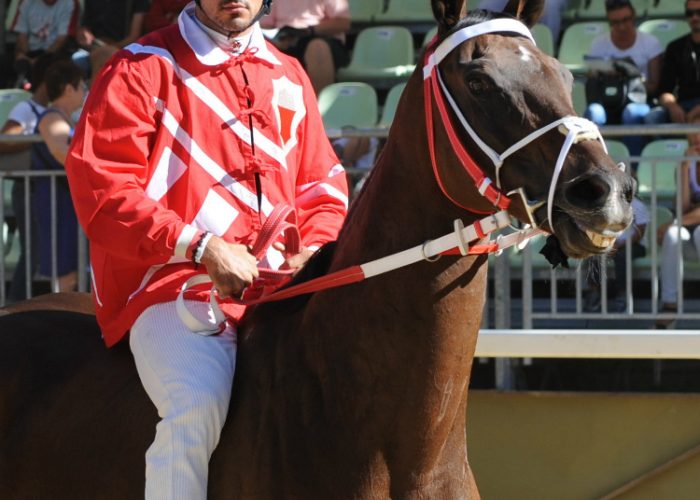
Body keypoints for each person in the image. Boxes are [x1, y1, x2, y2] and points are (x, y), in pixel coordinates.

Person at [64, 0, 349, 498]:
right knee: (196, 403)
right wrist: (202, 248)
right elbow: (103, 188)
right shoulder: (138, 67)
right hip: (172, 288)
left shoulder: (288, 72)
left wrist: (319, 245)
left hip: (281, 290)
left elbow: (322, 184)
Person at [0, 52, 61, 301]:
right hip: (30, 190)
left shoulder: (55, 111)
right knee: (33, 252)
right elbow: (5, 140)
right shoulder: (26, 108)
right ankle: (15, 307)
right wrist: (39, 143)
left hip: (46, 189)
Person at [32, 59, 85, 292]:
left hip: (68, 200)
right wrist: (96, 172)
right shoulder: (51, 118)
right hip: (57, 200)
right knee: (65, 272)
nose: (85, 92)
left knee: (74, 268)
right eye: (82, 86)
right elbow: (60, 151)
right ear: (68, 88)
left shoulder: (66, 118)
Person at [583, 0, 662, 157]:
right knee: (593, 112)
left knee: (632, 112)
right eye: (615, 22)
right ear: (609, 22)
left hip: (638, 101)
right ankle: (597, 163)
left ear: (634, 17)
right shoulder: (598, 44)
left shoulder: (650, 43)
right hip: (606, 102)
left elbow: (655, 86)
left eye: (626, 20)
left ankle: (633, 164)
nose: (621, 27)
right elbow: (591, 80)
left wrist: (630, 80)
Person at [655, 108, 700, 328]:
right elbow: (682, 207)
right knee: (673, 235)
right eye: (693, 130)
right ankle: (669, 306)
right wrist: (684, 167)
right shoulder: (686, 162)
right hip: (689, 229)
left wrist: (675, 221)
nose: (697, 136)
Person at [261, 0, 350, 94]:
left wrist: (309, 30)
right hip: (285, 41)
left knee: (318, 48)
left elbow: (343, 22)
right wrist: (278, 41)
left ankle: (320, 104)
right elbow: (265, 26)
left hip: (323, 38)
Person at [585, 193, 649, 312]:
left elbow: (640, 233)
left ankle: (622, 295)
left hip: (634, 245)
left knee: (621, 256)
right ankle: (594, 292)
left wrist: (619, 245)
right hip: (610, 243)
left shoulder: (638, 206)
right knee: (593, 254)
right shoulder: (606, 203)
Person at [644, 0, 700, 126]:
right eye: (690, 13)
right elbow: (664, 91)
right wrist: (672, 106)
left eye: (699, 12)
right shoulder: (675, 47)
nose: (695, 17)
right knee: (653, 118)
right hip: (683, 105)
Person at [9, 0, 80, 87]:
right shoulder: (26, 2)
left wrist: (40, 60)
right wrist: (23, 54)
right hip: (30, 52)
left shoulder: (70, 3)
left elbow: (62, 39)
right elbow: (21, 34)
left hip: (55, 53)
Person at [72, 0, 150, 78]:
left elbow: (134, 37)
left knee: (103, 57)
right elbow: (84, 27)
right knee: (76, 60)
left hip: (123, 50)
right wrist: (84, 34)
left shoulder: (137, 2)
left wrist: (108, 48)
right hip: (93, 48)